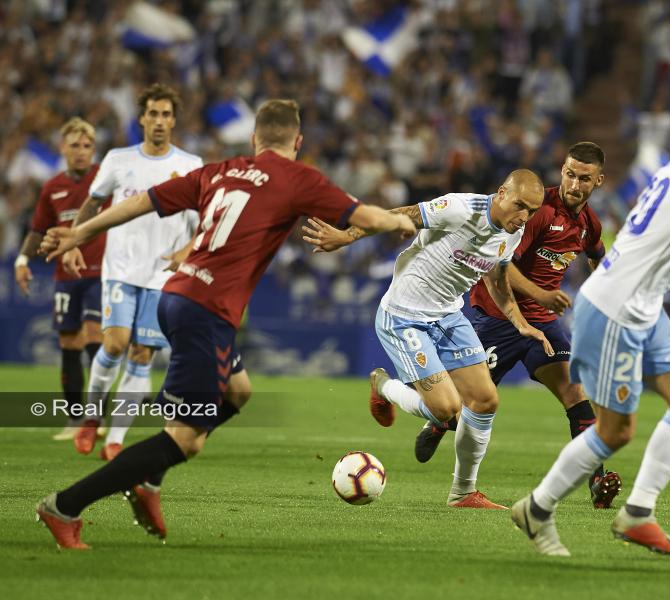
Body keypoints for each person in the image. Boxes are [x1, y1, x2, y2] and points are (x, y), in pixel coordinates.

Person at [36, 98, 415, 549]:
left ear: (255, 139)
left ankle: (147, 481)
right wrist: (400, 220)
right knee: (183, 440)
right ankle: (66, 506)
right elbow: (370, 218)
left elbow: (141, 203)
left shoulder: (219, 170)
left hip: (176, 295)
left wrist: (80, 232)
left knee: (238, 391)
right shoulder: (299, 178)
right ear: (298, 141)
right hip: (206, 311)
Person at [510, 87, 670, 558]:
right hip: (616, 310)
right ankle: (537, 508)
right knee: (615, 431)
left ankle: (637, 513)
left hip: (643, 308)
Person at [303, 170, 552, 509]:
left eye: (532, 211)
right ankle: (383, 386)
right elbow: (399, 216)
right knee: (447, 411)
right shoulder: (461, 209)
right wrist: (348, 236)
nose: (524, 216)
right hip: (404, 316)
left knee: (484, 400)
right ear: (501, 192)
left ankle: (463, 493)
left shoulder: (513, 232)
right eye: (519, 205)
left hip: (448, 316)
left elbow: (497, 278)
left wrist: (520, 322)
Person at [412, 142, 621, 509]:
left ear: (598, 181)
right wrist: (541, 294)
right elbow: (501, 266)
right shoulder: (540, 213)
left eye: (584, 178)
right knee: (465, 405)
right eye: (569, 174)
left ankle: (597, 478)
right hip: (495, 317)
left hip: (541, 326)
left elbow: (597, 256)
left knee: (575, 393)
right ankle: (438, 423)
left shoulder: (589, 225)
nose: (574, 183)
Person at [63, 84, 208, 461]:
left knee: (143, 354)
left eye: (166, 115)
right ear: (142, 118)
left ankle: (115, 440)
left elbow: (206, 222)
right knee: (114, 343)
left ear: (174, 121)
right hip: (121, 270)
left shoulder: (191, 166)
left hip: (162, 276)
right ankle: (92, 417)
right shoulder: (117, 159)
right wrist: (76, 241)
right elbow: (93, 203)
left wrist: (186, 251)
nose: (159, 121)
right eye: (153, 114)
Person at [14, 118, 104, 441]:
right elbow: (38, 230)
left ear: (94, 150)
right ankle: (74, 419)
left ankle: (97, 418)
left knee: (96, 337)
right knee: (69, 343)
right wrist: (23, 259)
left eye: (87, 146)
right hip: (65, 277)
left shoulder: (104, 180)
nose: (81, 152)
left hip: (100, 273)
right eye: (75, 146)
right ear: (62, 148)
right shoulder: (52, 187)